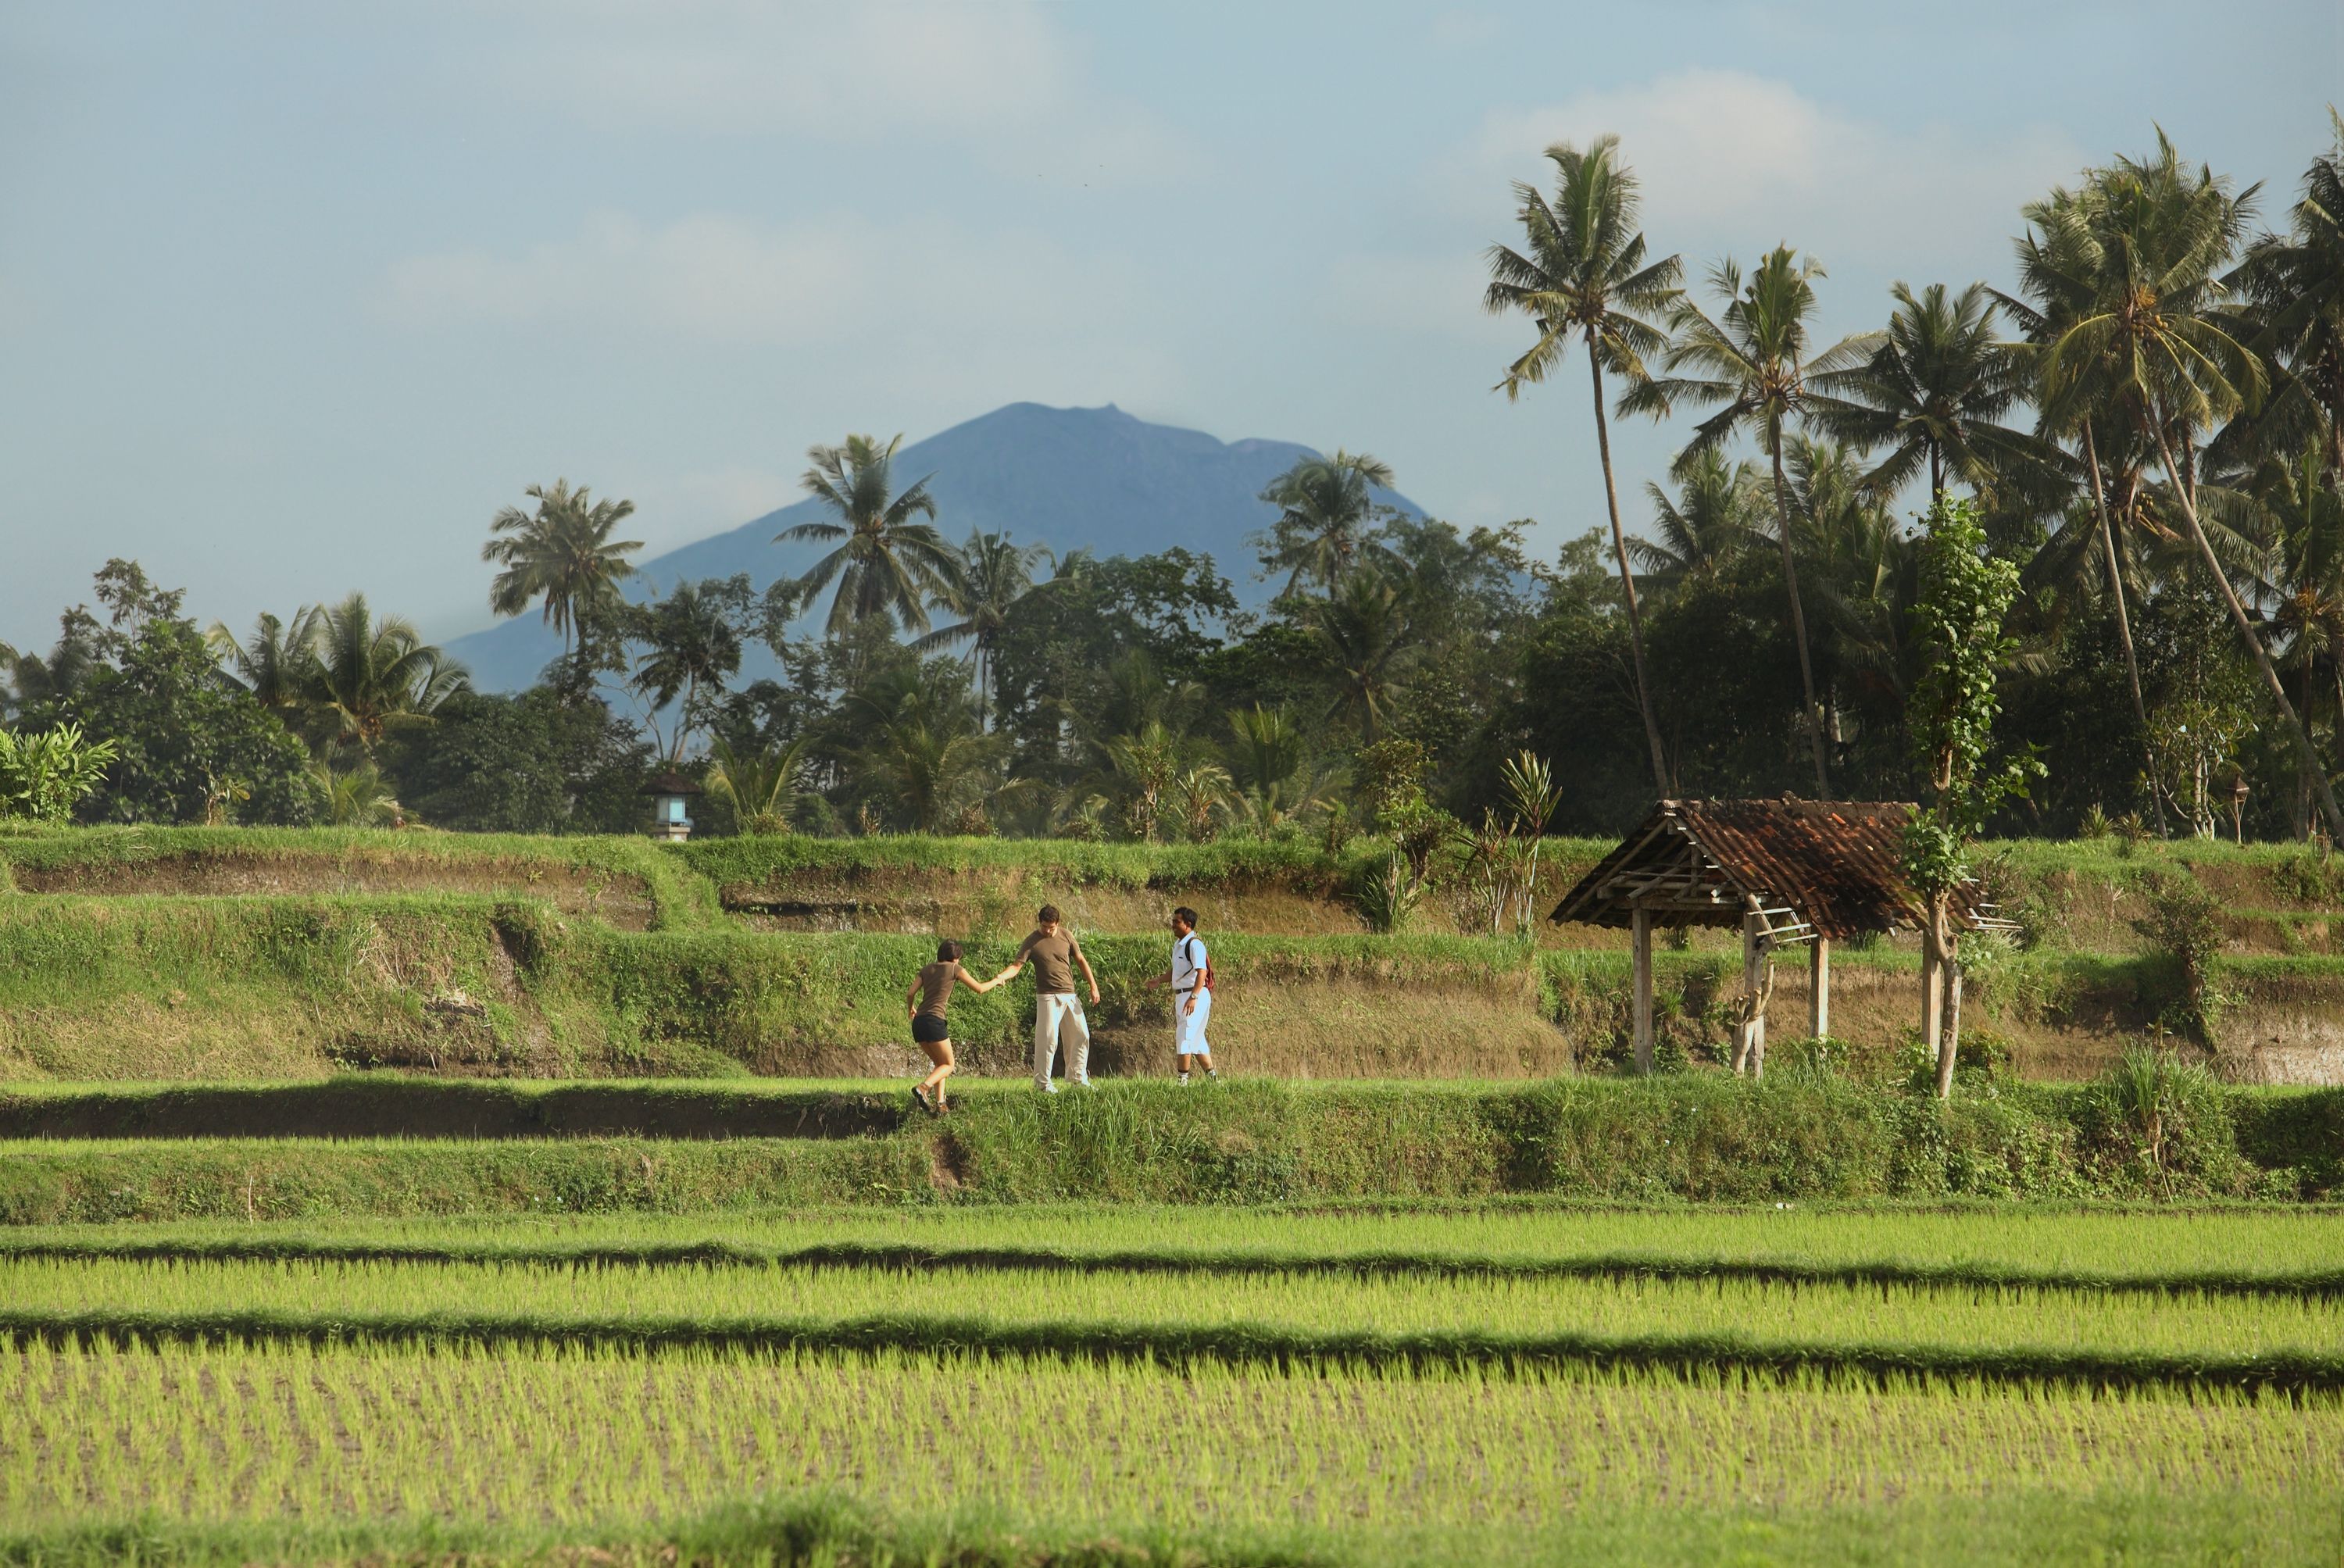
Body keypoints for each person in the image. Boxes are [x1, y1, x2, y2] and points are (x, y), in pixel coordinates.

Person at [903, 939, 1016, 1115]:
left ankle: (941, 1105)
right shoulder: (954, 969)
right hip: (934, 1021)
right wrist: (996, 981)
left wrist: (911, 1008)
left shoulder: (926, 969)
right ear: (955, 958)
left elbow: (910, 993)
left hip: (918, 1022)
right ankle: (923, 1088)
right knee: (949, 1064)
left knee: (940, 1064)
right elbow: (979, 989)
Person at [1006, 904, 1100, 1092]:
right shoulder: (1031, 941)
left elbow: (1081, 960)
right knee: (1048, 1039)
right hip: (1047, 996)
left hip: (1069, 994)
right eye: (1044, 927)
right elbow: (1016, 966)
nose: (1048, 931)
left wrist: (1093, 985)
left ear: (1058, 923)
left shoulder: (1066, 936)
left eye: (1051, 927)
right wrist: (1002, 976)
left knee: (1081, 1034)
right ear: (1039, 923)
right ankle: (1042, 1084)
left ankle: (1078, 1078)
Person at [1144, 905, 1217, 1084]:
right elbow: (1177, 971)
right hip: (1184, 995)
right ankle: (1213, 1079)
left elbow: (1202, 972)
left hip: (1193, 995)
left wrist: (1194, 997)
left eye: (1177, 922)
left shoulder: (1195, 945)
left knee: (1184, 1035)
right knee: (1196, 1039)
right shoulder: (1179, 945)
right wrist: (1159, 980)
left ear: (1188, 925)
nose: (1173, 925)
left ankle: (1182, 1082)